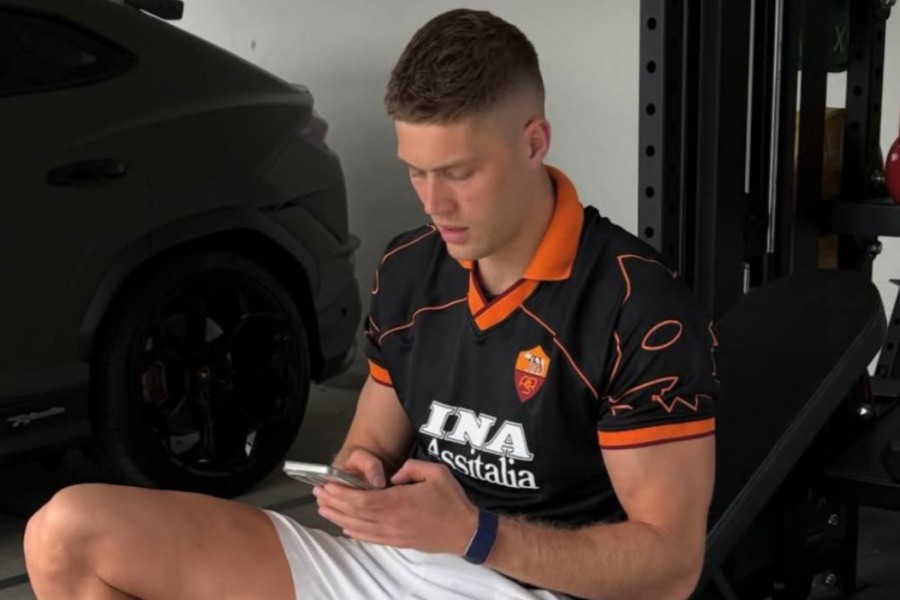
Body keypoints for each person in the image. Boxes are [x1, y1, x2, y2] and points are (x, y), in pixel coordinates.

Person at [23, 8, 718, 600]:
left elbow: (670, 567)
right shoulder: (411, 268)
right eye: (415, 171)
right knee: (68, 532)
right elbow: (369, 443)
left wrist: (475, 534)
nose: (434, 203)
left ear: (533, 142)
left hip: (533, 584)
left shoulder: (637, 303)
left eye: (458, 173)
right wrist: (355, 480)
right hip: (398, 565)